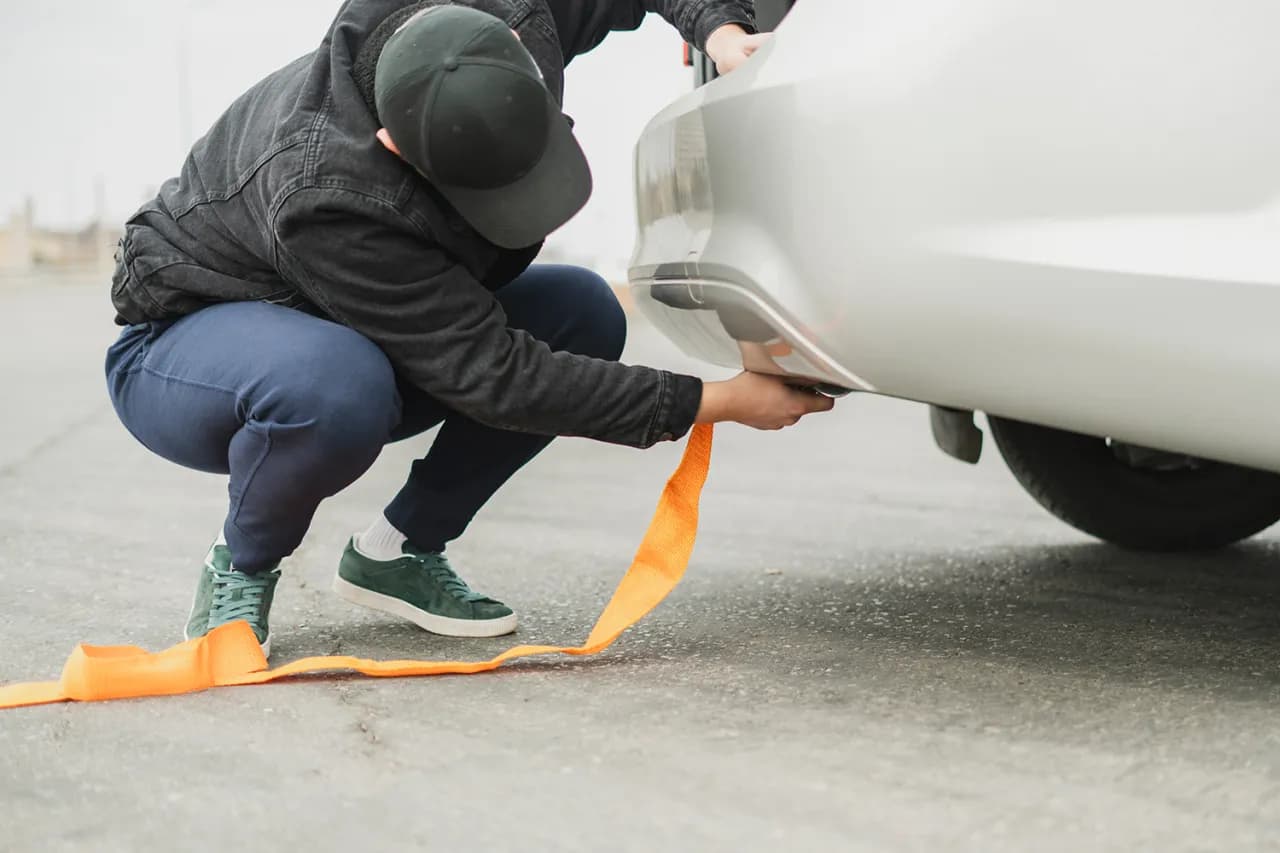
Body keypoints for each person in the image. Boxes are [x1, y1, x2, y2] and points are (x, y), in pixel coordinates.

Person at [105, 0, 833, 658]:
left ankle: (399, 551)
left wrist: (721, 28)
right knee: (333, 386)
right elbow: (496, 375)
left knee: (582, 311)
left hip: (352, 325)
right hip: (188, 346)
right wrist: (719, 401)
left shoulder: (515, 17)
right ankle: (242, 563)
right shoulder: (328, 193)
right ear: (396, 145)